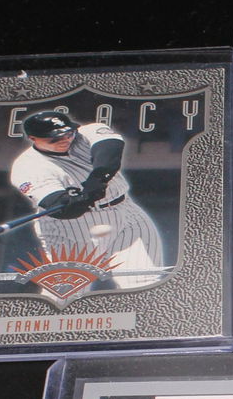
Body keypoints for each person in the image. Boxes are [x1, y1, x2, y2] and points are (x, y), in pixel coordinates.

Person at [9, 110, 168, 288]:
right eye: (54, 138)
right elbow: (61, 208)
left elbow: (110, 150)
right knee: (67, 292)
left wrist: (97, 179)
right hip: (70, 228)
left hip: (125, 211)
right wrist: (78, 201)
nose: (65, 140)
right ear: (33, 138)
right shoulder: (27, 166)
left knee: (144, 283)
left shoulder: (87, 133)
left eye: (68, 133)